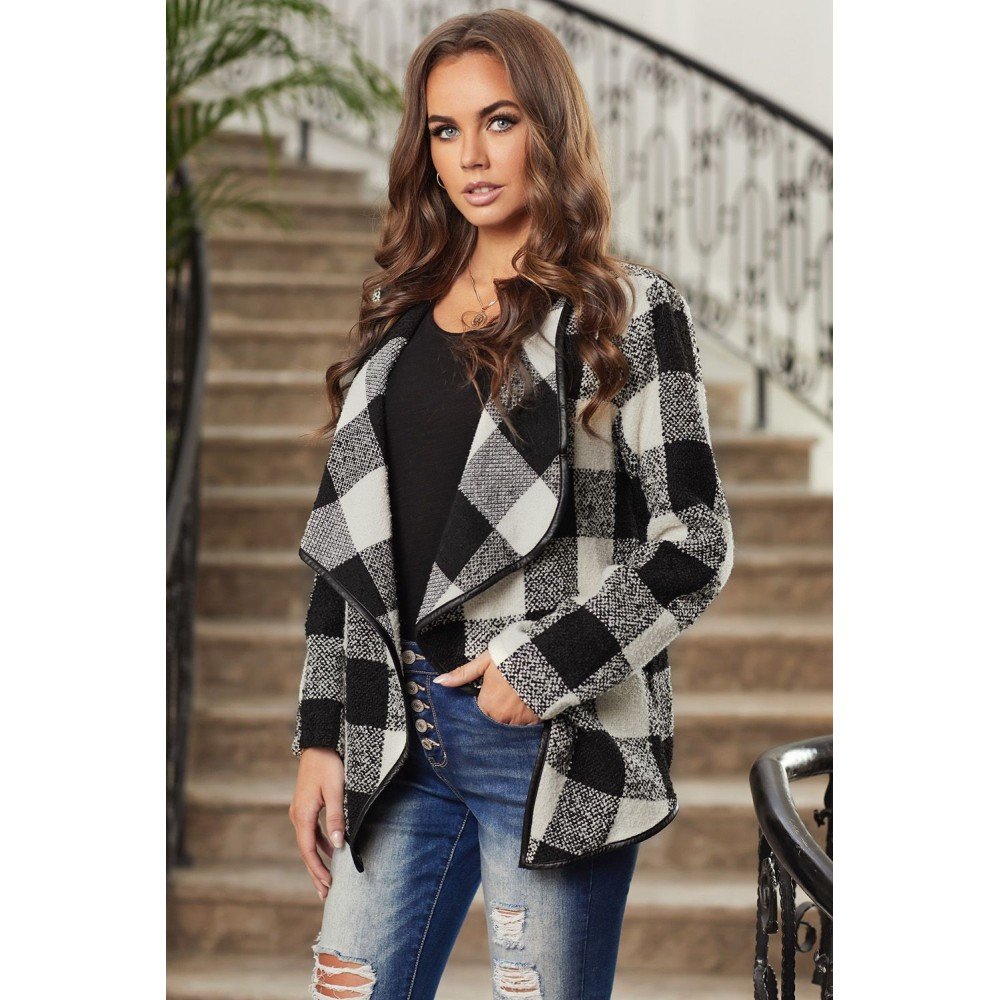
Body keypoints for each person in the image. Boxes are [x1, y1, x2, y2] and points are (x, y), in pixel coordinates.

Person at [288, 9, 735, 999]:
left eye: (499, 121)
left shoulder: (623, 313)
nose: (472, 156)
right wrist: (321, 734)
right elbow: (346, 554)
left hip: (546, 739)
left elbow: (696, 541)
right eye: (445, 130)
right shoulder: (398, 321)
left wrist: (543, 667)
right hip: (391, 731)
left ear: (548, 124)